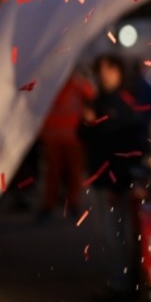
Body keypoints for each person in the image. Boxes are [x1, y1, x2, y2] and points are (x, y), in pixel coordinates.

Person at [79, 54, 148, 301]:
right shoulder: (96, 102)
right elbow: (86, 137)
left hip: (116, 182)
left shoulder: (125, 104)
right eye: (101, 70)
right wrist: (88, 124)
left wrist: (120, 181)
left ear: (119, 72)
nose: (104, 75)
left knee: (117, 235)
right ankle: (118, 281)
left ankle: (123, 285)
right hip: (98, 179)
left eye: (109, 69)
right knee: (105, 235)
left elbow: (128, 145)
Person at [37, 69, 95, 220]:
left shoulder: (75, 84)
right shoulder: (50, 85)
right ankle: (51, 204)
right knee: (54, 173)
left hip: (71, 137)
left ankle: (71, 203)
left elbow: (92, 94)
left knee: (72, 172)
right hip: (56, 136)